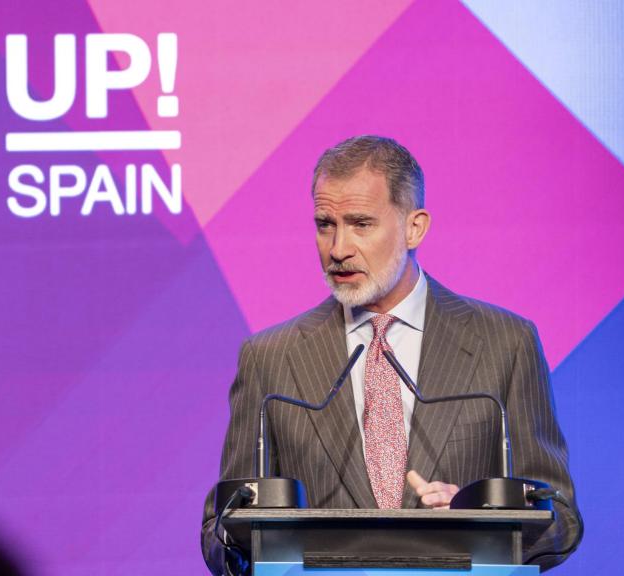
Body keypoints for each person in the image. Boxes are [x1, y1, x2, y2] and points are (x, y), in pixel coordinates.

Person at [201, 135, 579, 574]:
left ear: (414, 227)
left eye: (361, 224)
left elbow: (561, 519)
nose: (338, 248)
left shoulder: (506, 344)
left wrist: (481, 525)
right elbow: (219, 531)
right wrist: (259, 546)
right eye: (326, 224)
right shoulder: (270, 359)